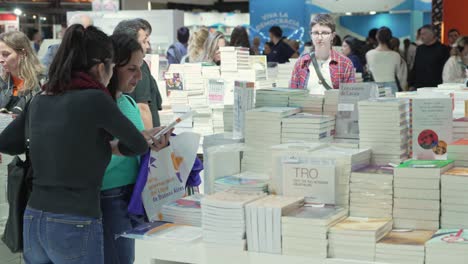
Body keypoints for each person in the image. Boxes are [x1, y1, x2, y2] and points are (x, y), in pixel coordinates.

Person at [0, 24, 170, 264]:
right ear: (102, 67)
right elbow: (137, 145)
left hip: (33, 218)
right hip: (75, 218)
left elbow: (7, 142)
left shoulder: (41, 98)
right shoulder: (95, 98)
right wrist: (109, 147)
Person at [100, 33, 146, 264]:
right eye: (131, 69)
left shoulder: (126, 102)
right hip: (108, 197)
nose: (139, 76)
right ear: (110, 67)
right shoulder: (98, 106)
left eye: (140, 68)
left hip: (130, 196)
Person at [113, 19, 163, 128]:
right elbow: (143, 108)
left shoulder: (126, 102)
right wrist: (150, 142)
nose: (148, 46)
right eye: (144, 41)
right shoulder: (109, 105)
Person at [290, 14, 355, 94]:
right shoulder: (301, 63)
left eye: (324, 33)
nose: (320, 38)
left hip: (334, 106)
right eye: (316, 33)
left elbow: (350, 99)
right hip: (307, 106)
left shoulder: (345, 63)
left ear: (332, 36)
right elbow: (292, 98)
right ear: (311, 35)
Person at [0, 31, 44, 114]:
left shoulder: (42, 84)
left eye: (5, 54)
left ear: (23, 53)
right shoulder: (2, 83)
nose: (0, 60)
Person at [366, 27, 406, 94]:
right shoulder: (396, 55)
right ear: (390, 38)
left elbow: (369, 70)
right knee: (391, 104)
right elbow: (400, 77)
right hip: (392, 87)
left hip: (376, 88)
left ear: (376, 37)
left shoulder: (369, 54)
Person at [410, 24, 450, 89]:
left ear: (432, 34)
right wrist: (411, 84)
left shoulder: (443, 49)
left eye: (424, 34)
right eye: (420, 34)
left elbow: (445, 69)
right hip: (419, 86)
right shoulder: (420, 49)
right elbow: (416, 67)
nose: (421, 36)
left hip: (436, 86)